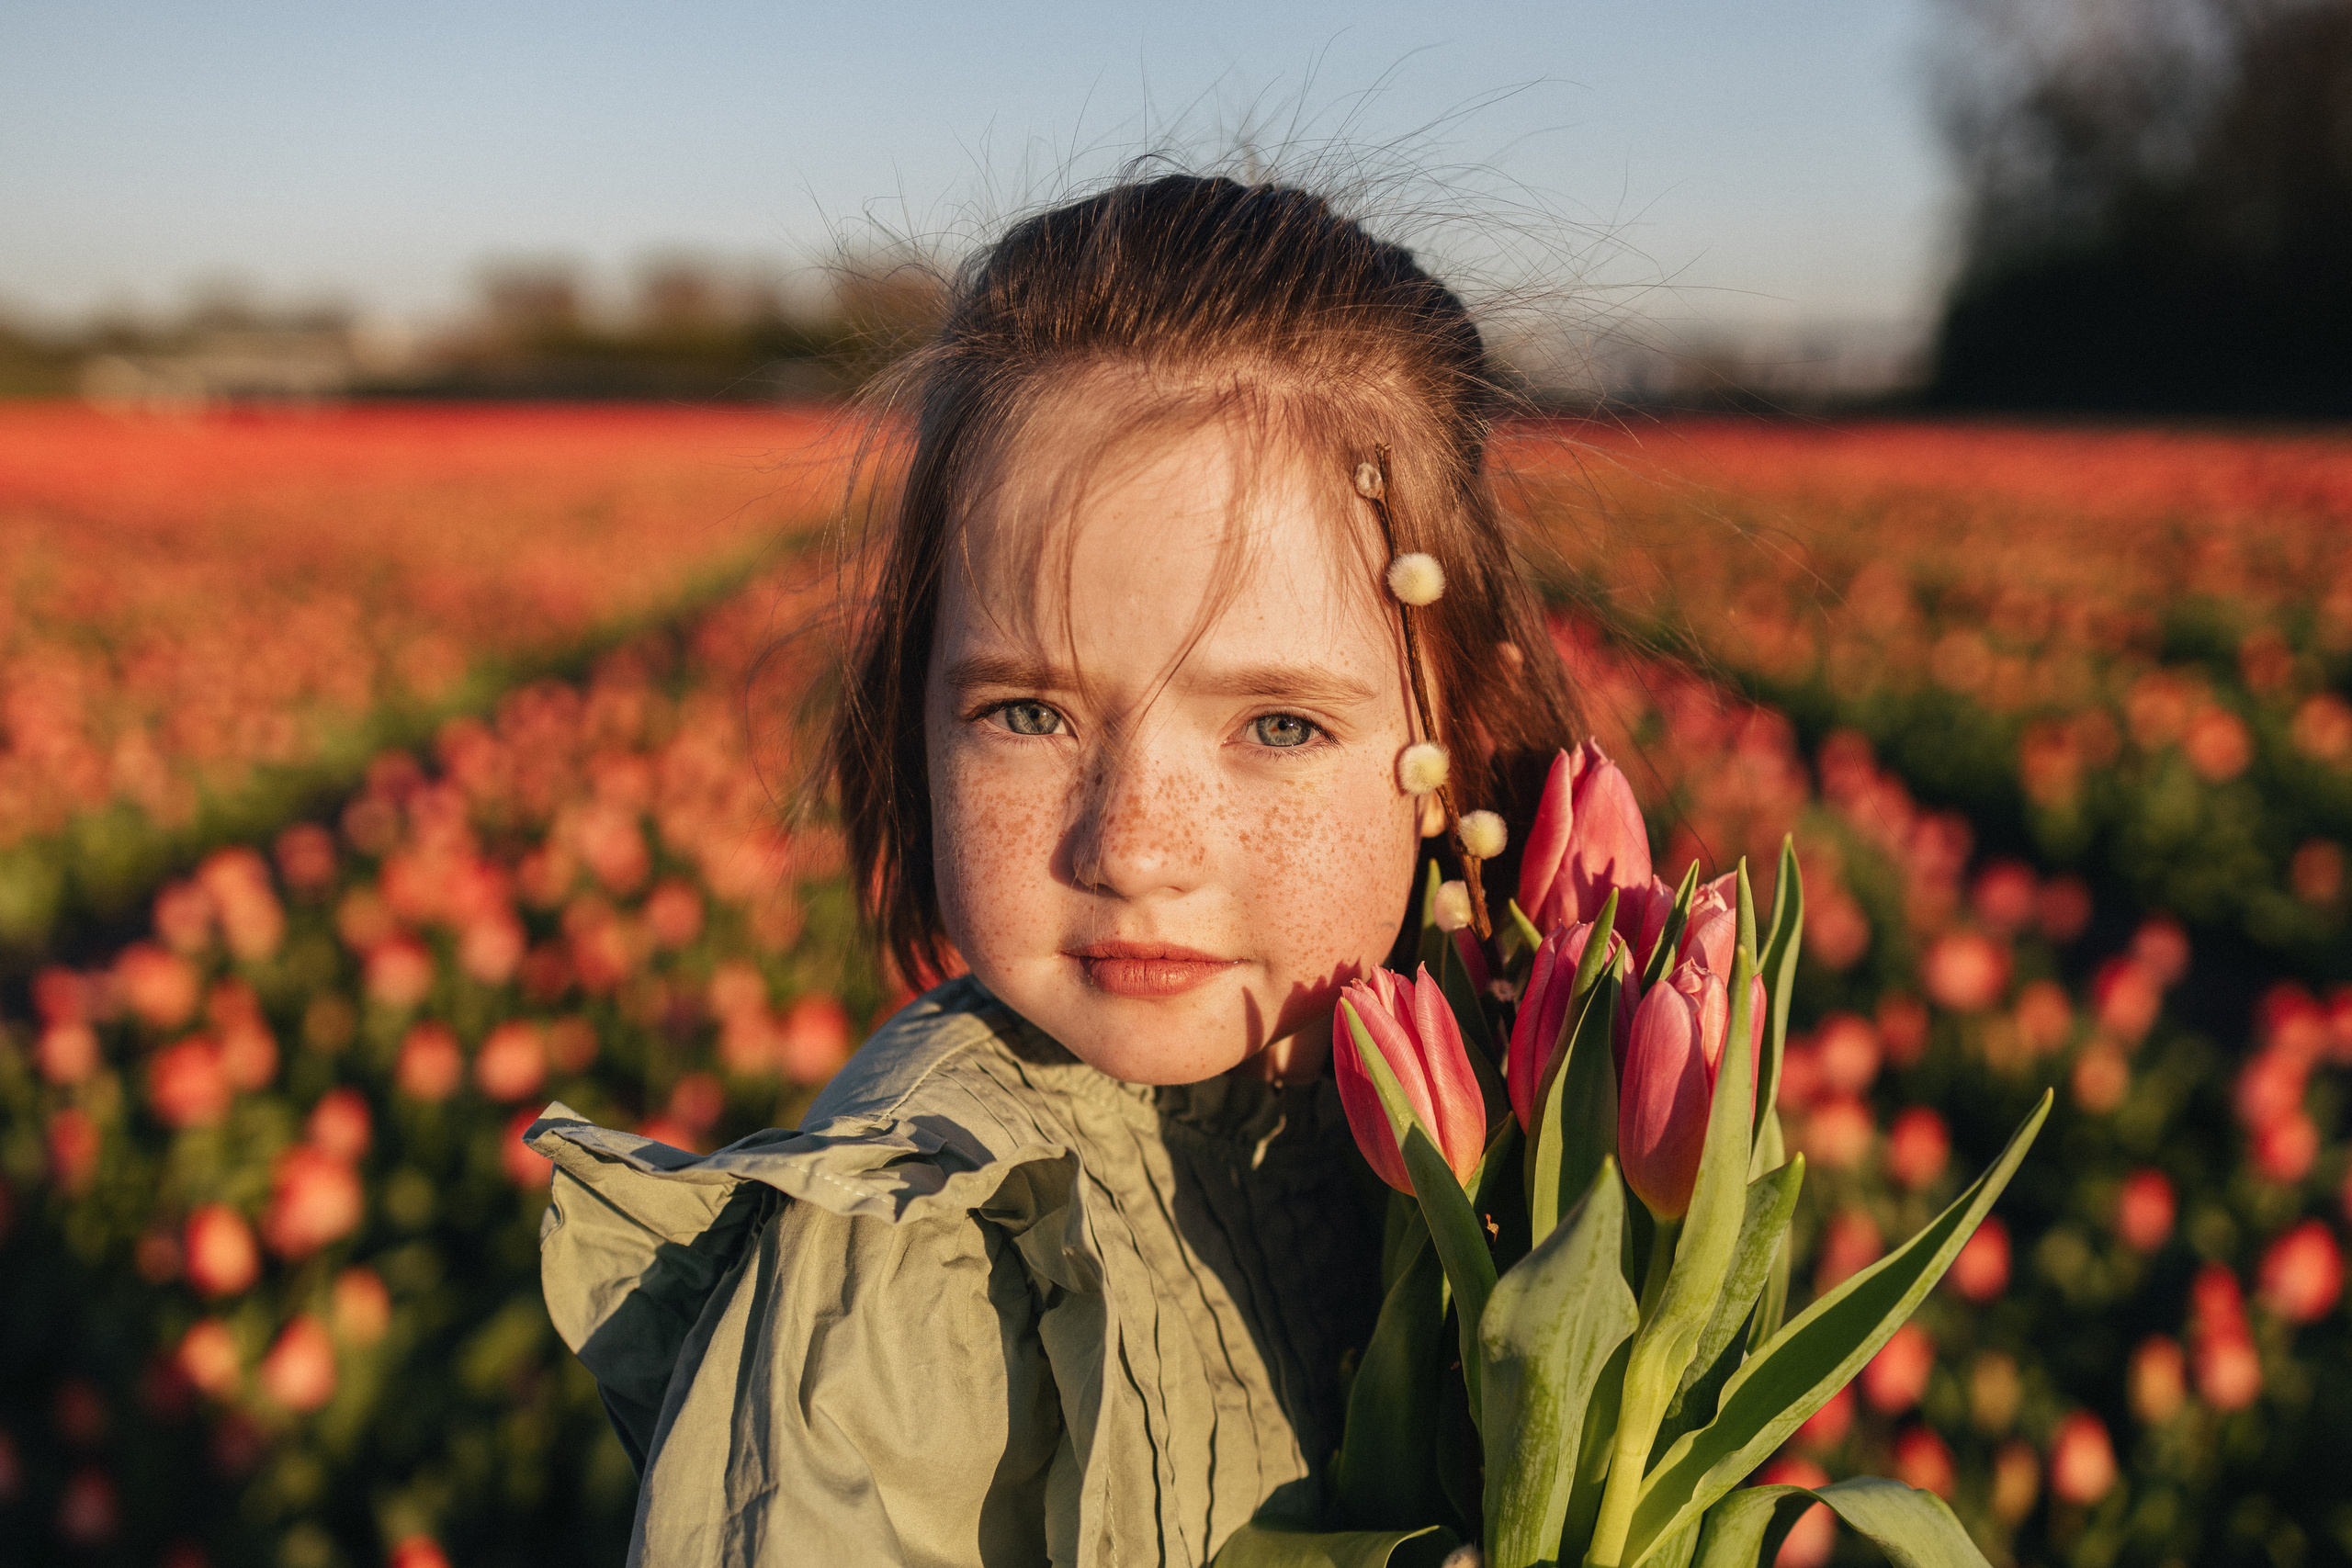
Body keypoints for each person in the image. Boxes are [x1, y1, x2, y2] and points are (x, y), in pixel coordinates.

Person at [529, 170, 1580, 1566]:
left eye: (1278, 725)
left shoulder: (1544, 1143)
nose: (1134, 846)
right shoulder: (902, 1277)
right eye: (1028, 713)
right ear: (909, 715)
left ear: (1464, 736)